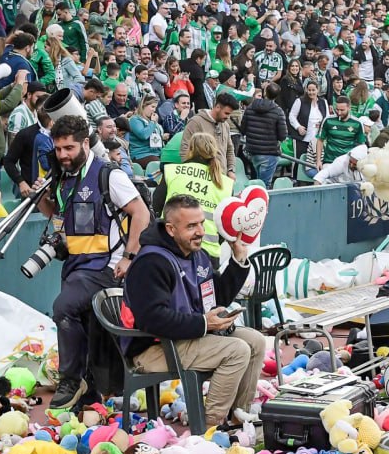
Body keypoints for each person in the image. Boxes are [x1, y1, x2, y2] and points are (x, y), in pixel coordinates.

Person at [121, 194, 264, 430]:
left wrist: (238, 259)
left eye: (200, 223)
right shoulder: (151, 262)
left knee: (255, 341)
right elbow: (152, 319)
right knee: (236, 351)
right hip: (152, 348)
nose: (199, 231)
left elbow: (214, 297)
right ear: (170, 229)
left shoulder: (198, 255)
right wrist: (204, 324)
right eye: (190, 226)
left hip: (186, 337)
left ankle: (240, 417)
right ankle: (209, 426)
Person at [38, 114, 150, 410]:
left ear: (85, 143)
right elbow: (55, 214)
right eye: (58, 149)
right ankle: (87, 398)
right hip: (75, 266)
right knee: (85, 328)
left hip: (105, 268)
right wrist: (39, 194)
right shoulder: (61, 177)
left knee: (63, 308)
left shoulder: (108, 175)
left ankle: (70, 379)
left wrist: (129, 257)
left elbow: (141, 214)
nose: (63, 155)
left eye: (69, 148)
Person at [153, 132, 234, 260]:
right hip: (208, 253)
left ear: (190, 149)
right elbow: (227, 222)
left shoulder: (173, 171)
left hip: (172, 247)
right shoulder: (226, 183)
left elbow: (157, 204)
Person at [180, 91, 238, 182]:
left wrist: (231, 170)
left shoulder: (225, 125)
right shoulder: (195, 122)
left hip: (222, 178)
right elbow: (185, 149)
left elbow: (230, 150)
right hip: (201, 179)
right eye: (226, 113)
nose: (228, 117)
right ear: (217, 107)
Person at [240, 84, 289, 187]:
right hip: (269, 152)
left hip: (252, 151)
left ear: (264, 93)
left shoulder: (250, 107)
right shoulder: (278, 111)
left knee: (258, 182)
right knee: (264, 185)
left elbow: (243, 129)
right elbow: (282, 136)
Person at [316, 96, 365, 166]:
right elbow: (320, 140)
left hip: (347, 163)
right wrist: (318, 161)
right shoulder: (328, 120)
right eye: (337, 109)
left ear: (349, 108)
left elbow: (361, 145)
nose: (339, 113)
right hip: (329, 162)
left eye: (342, 110)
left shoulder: (358, 123)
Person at [127, 95, 164, 166]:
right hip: (141, 154)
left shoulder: (152, 121)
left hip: (156, 153)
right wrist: (153, 122)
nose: (154, 110)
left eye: (155, 107)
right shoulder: (135, 120)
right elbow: (143, 135)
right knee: (158, 164)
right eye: (152, 107)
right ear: (144, 106)